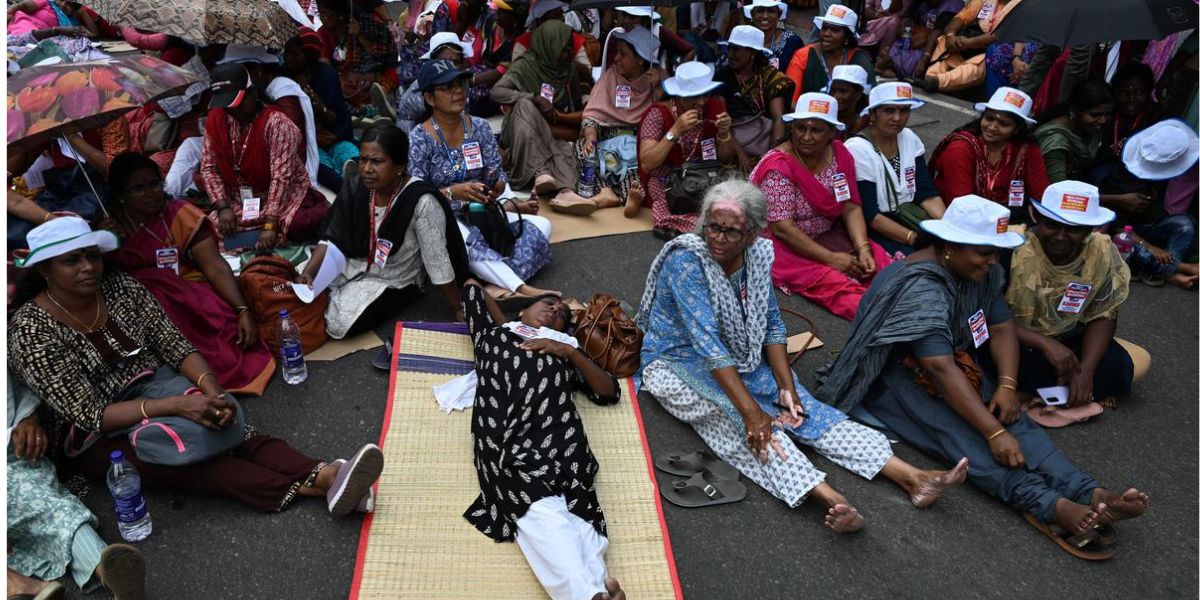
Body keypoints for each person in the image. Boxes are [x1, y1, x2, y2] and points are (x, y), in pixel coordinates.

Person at [815, 196, 1150, 557]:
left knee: (1016, 424)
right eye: (984, 253)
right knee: (970, 442)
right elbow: (939, 368)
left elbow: (1002, 325)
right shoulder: (920, 288)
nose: (993, 261)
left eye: (995, 252)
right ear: (949, 246)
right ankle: (1052, 506)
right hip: (895, 378)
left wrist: (1006, 387)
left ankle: (1091, 492)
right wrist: (993, 433)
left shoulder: (982, 271)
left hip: (956, 366)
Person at [638, 180, 967, 533]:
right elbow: (707, 346)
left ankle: (912, 476)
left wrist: (787, 386)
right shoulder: (687, 260)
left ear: (751, 233)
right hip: (675, 362)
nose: (717, 237)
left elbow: (772, 326)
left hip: (736, 356)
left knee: (801, 410)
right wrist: (751, 413)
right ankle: (830, 498)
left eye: (730, 231)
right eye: (712, 227)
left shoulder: (758, 255)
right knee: (738, 420)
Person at [8, 217, 384, 517]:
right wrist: (178, 406)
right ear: (44, 270)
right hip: (93, 435)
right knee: (187, 462)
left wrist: (210, 390)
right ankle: (319, 485)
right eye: (71, 261)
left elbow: (174, 345)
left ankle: (326, 472)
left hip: (156, 386)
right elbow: (90, 414)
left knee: (233, 426)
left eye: (92, 256)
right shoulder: (30, 329)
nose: (88, 267)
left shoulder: (119, 287)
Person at [458, 280, 625, 600]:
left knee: (584, 519)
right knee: (542, 514)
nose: (554, 309)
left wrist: (571, 351)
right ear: (523, 310)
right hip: (512, 442)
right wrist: (517, 309)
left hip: (563, 444)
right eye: (547, 304)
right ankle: (589, 594)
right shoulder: (493, 336)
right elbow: (472, 288)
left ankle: (599, 589)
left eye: (561, 313)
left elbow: (609, 393)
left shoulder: (563, 349)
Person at [101, 153, 276, 396]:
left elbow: (215, 266)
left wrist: (242, 311)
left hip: (189, 296)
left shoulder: (180, 213)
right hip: (138, 311)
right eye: (138, 189)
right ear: (120, 196)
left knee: (224, 345)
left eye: (154, 184)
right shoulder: (106, 226)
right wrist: (100, 243)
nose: (150, 192)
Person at [302, 124, 471, 338]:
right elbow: (332, 236)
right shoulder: (357, 185)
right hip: (353, 262)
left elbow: (438, 262)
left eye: (377, 162)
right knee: (298, 282)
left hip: (393, 276)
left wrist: (458, 307)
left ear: (399, 166)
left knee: (339, 324)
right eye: (363, 159)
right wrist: (309, 273)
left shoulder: (421, 201)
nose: (366, 169)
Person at [408, 59, 557, 299]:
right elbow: (416, 193)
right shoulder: (419, 137)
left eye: (460, 84)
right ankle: (521, 288)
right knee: (460, 237)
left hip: (483, 213)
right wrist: (452, 192)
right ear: (429, 99)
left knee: (543, 226)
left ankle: (493, 283)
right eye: (447, 87)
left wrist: (495, 187)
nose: (458, 91)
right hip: (447, 219)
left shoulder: (479, 127)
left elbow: (497, 175)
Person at [749, 92, 894, 320]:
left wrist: (863, 247)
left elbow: (851, 207)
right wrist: (831, 258)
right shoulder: (779, 167)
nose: (806, 137)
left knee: (881, 266)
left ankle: (910, 307)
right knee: (838, 286)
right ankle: (889, 322)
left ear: (831, 133)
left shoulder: (839, 154)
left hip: (825, 233)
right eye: (800, 128)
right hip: (781, 244)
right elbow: (782, 229)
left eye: (815, 130)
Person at [1001, 181, 1138, 417]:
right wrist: (1045, 343)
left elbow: (1104, 312)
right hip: (1011, 337)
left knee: (1119, 366)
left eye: (1074, 229)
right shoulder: (1010, 247)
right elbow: (987, 317)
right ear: (1037, 218)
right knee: (991, 362)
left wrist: (1086, 370)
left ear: (1091, 230)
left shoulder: (1102, 251)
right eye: (1052, 225)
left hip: (1068, 335)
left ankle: (1046, 393)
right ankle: (1052, 393)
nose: (1061, 237)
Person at [8, 375, 147, 600]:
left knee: (48, 505)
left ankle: (106, 568)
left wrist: (28, 417)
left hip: (12, 452)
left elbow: (17, 387)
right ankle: (16, 586)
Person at [199, 63, 329, 250]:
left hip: (282, 196)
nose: (231, 111)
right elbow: (209, 167)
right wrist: (223, 207)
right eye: (226, 106)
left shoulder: (277, 123)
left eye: (236, 104)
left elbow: (281, 177)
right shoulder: (217, 119)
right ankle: (251, 236)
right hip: (241, 200)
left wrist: (270, 223)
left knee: (295, 226)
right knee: (211, 228)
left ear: (252, 94)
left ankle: (326, 211)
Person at [636, 61, 738, 238]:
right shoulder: (658, 113)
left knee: (731, 212)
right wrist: (675, 130)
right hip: (667, 181)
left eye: (705, 95)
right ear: (678, 95)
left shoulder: (715, 107)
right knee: (684, 214)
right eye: (693, 96)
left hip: (705, 177)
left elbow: (726, 159)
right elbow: (647, 164)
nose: (701, 102)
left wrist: (724, 133)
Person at [491, 20, 587, 205]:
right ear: (550, 45)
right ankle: (540, 172)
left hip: (552, 130)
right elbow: (497, 92)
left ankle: (565, 191)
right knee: (524, 105)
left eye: (570, 49)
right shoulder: (525, 65)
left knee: (560, 146)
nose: (570, 54)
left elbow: (577, 107)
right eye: (565, 49)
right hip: (520, 128)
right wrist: (534, 98)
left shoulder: (569, 70)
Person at [846, 81, 946, 255]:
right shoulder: (858, 148)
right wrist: (913, 238)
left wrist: (947, 228)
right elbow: (871, 215)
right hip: (878, 228)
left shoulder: (909, 137)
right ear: (872, 114)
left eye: (904, 110)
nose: (897, 118)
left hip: (908, 217)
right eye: (889, 111)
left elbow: (925, 193)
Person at [570, 26, 660, 215]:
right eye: (617, 52)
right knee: (583, 150)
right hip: (607, 141)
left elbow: (664, 117)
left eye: (623, 54)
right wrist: (590, 137)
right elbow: (592, 115)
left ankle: (628, 197)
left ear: (641, 59)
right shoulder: (611, 76)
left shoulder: (657, 80)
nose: (616, 58)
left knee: (634, 172)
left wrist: (661, 87)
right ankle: (606, 192)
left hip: (637, 145)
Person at [929, 87, 1048, 223]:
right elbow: (962, 205)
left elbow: (1041, 199)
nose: (992, 127)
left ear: (1018, 129)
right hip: (959, 221)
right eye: (989, 118)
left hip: (1005, 222)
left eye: (1004, 124)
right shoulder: (960, 148)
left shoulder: (1027, 150)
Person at [1116, 120, 1200, 289]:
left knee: (1185, 223)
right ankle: (1176, 271)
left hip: (1155, 227)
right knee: (1121, 247)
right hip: (1127, 233)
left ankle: (1162, 269)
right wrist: (1149, 246)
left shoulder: (1182, 175)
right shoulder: (1124, 175)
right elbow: (1117, 227)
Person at [282, 26, 359, 192]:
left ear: (308, 56)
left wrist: (317, 104)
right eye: (287, 52)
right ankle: (345, 190)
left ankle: (350, 176)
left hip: (335, 136)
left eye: (295, 54)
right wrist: (311, 137)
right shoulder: (284, 78)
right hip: (309, 144)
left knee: (352, 158)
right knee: (328, 175)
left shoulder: (326, 74)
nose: (288, 58)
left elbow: (335, 116)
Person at [714, 25, 796, 171]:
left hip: (766, 139)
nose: (730, 54)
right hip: (731, 140)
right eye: (730, 48)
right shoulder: (722, 77)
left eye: (737, 50)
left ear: (752, 53)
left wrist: (771, 155)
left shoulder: (770, 77)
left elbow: (778, 118)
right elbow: (721, 118)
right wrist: (741, 154)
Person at [911, 0, 1016, 93]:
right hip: (968, 40)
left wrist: (969, 43)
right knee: (943, 39)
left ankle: (938, 82)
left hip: (991, 46)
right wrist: (950, 35)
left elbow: (1000, 34)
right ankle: (930, 75)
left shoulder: (1019, 5)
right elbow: (962, 16)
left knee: (984, 60)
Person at [315, 0, 399, 113]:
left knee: (384, 80)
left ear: (339, 14)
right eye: (320, 13)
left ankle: (379, 106)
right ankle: (364, 111)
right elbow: (325, 66)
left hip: (372, 76)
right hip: (346, 82)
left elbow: (386, 57)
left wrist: (360, 34)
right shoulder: (323, 34)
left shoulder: (366, 24)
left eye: (325, 13)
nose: (322, 18)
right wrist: (341, 79)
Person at [784, 5, 876, 102]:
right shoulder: (803, 56)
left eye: (835, 30)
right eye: (824, 28)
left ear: (847, 37)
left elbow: (871, 99)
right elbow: (790, 101)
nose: (827, 34)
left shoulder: (859, 58)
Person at [1033, 81, 1115, 184]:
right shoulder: (1055, 141)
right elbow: (1059, 190)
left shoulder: (1089, 129)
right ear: (1074, 111)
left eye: (1107, 114)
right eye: (1095, 115)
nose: (1103, 120)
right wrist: (1120, 199)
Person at [882, 0, 964, 80]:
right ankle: (890, 65)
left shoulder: (953, 5)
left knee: (916, 62)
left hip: (934, 45)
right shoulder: (920, 3)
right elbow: (910, 20)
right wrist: (906, 34)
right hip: (915, 38)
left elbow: (935, 34)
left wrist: (924, 59)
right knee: (898, 44)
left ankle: (896, 68)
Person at [742, 0, 802, 71]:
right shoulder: (741, 41)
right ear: (752, 14)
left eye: (771, 11)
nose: (765, 16)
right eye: (759, 11)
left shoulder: (792, 42)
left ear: (779, 15)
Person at [825, 64, 870, 138]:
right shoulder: (825, 118)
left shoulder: (867, 122)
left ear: (858, 94)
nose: (835, 96)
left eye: (843, 91)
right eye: (833, 90)